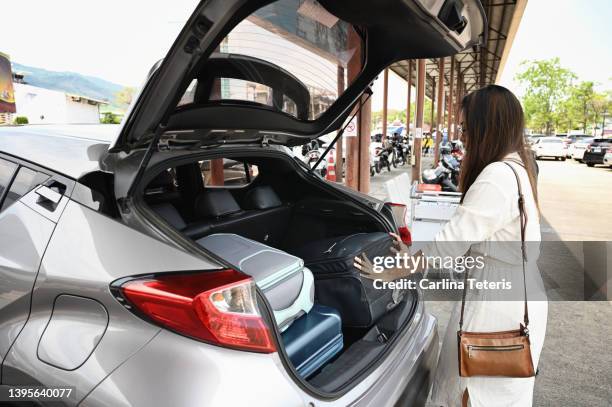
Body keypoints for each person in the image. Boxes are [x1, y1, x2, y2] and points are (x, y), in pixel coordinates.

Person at [356, 85, 548, 406]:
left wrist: (391, 272)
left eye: (466, 127)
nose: (463, 136)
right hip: (520, 298)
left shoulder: (496, 176)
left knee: (471, 392)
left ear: (486, 126)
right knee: (498, 395)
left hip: (494, 308)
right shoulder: (519, 167)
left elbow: (448, 246)